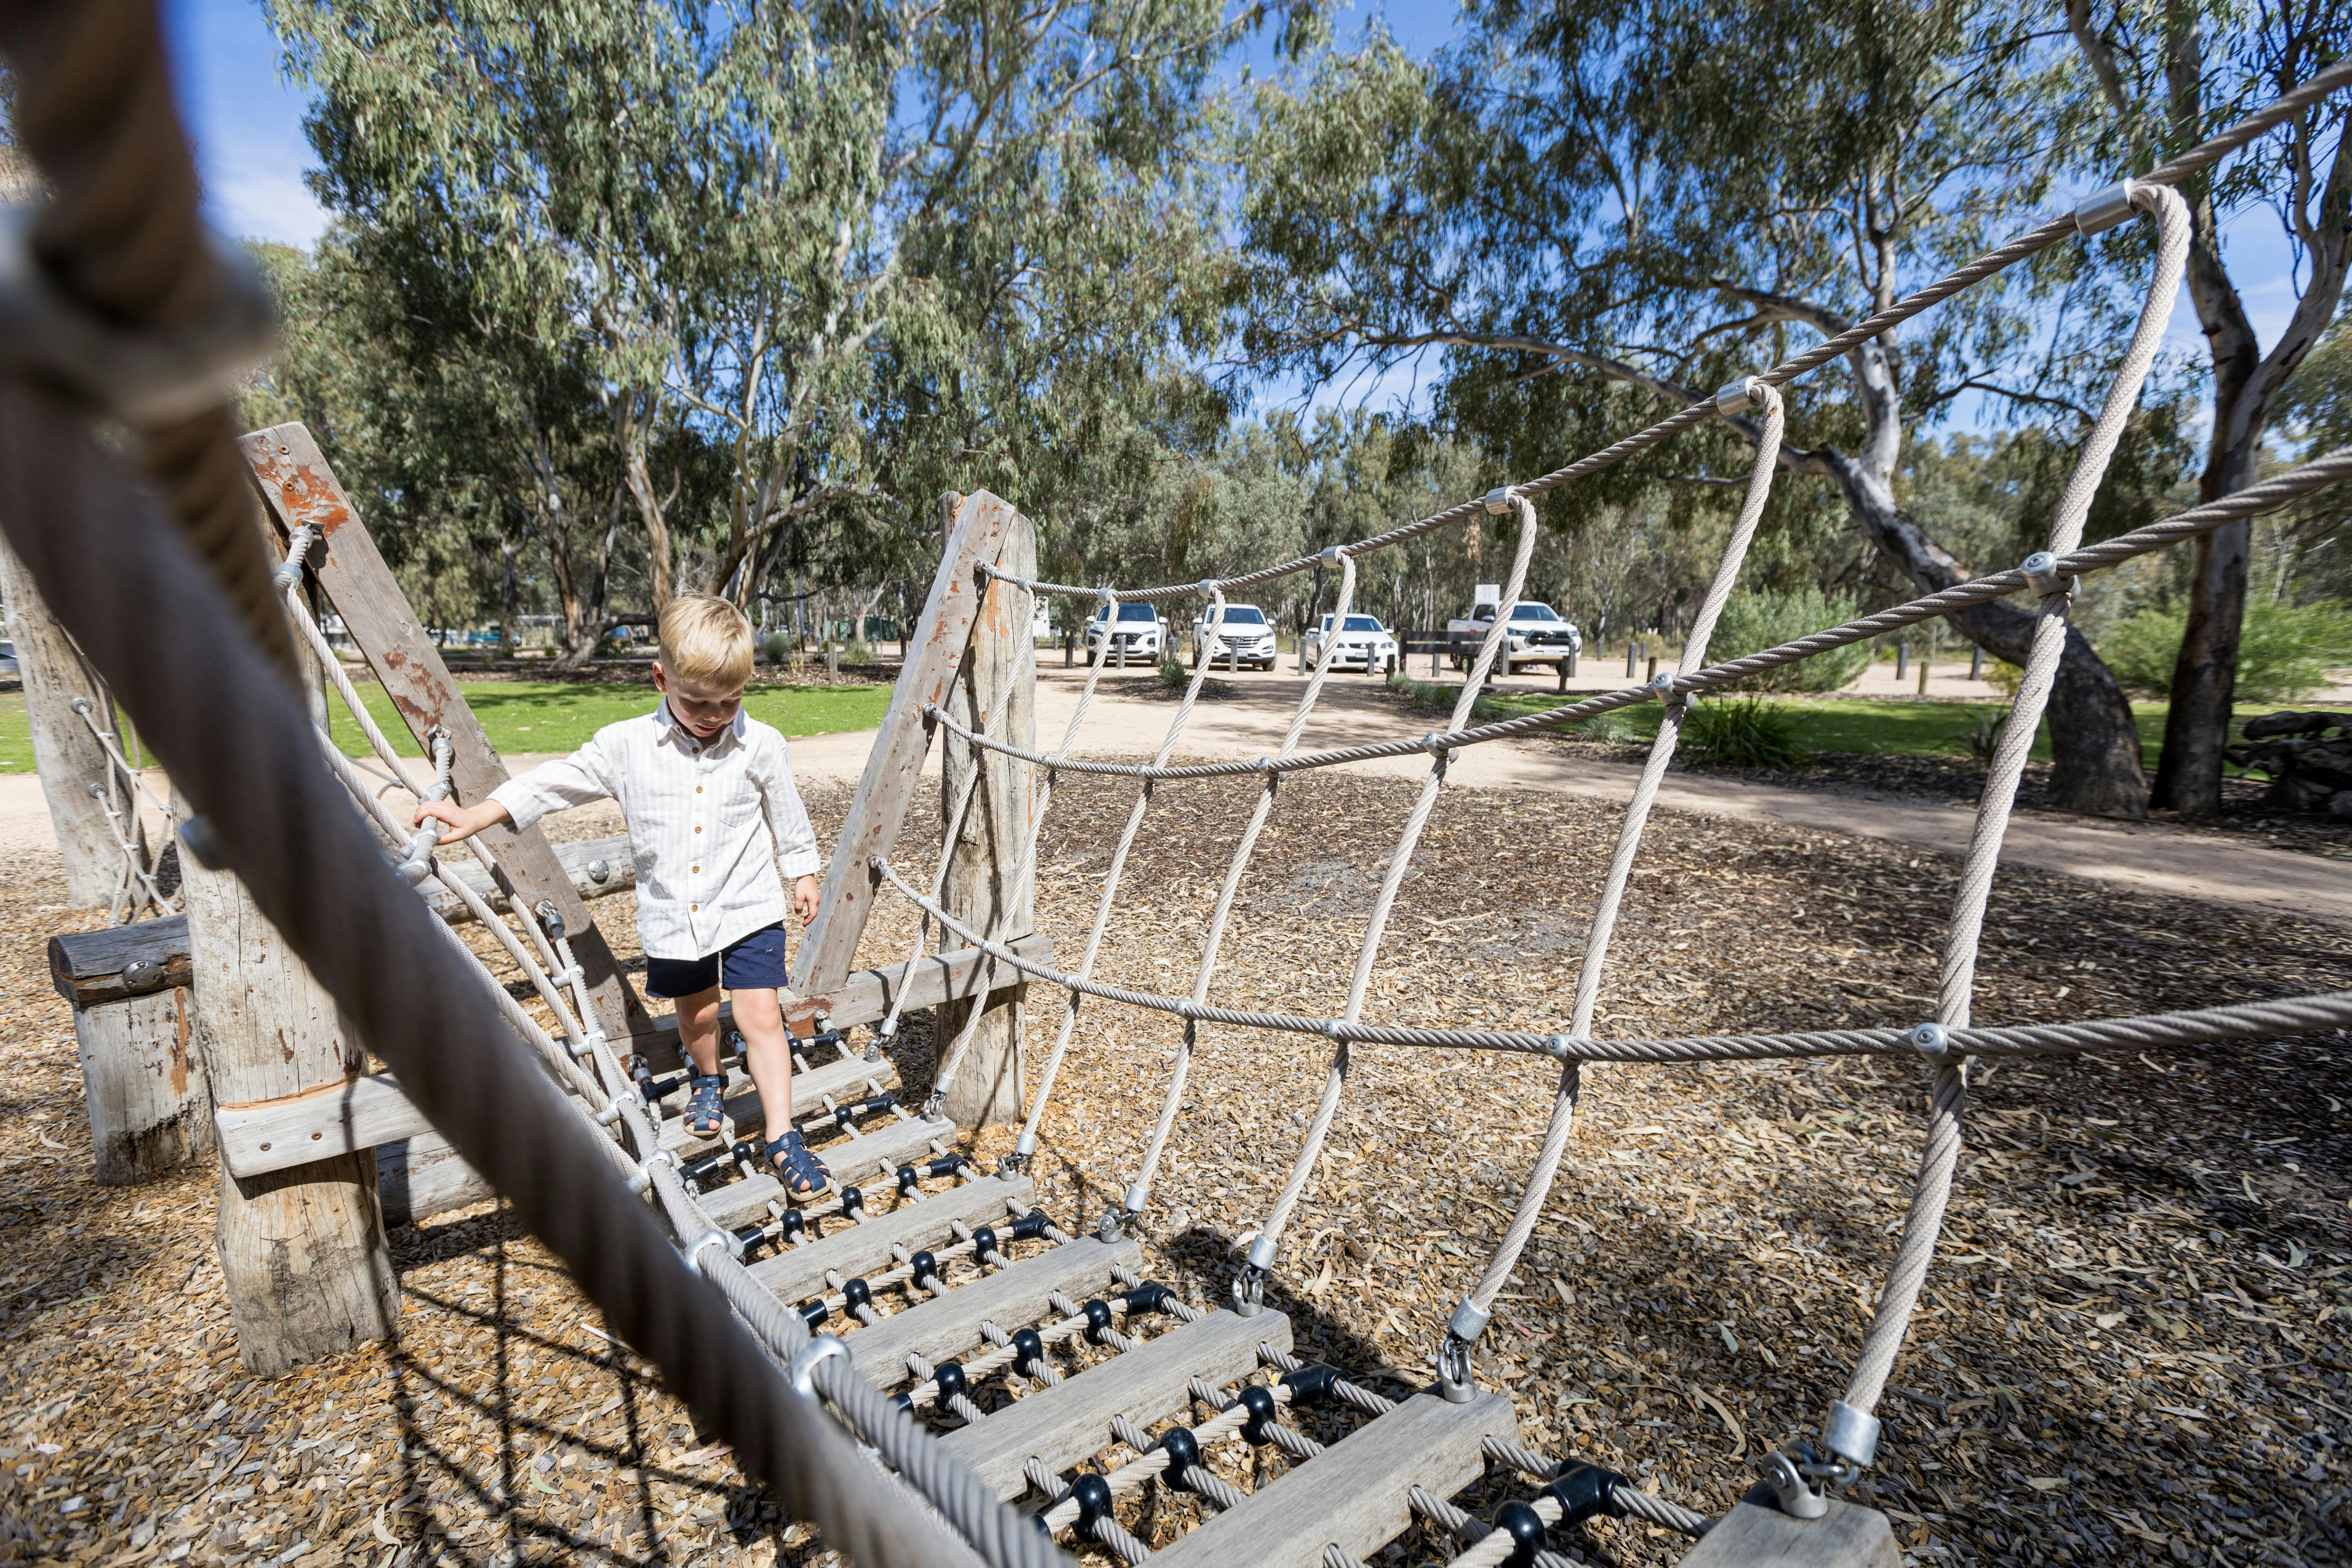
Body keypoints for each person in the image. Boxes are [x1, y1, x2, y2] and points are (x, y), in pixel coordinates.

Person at [414, 595, 833, 1197]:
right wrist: (481, 813)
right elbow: (555, 782)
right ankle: (709, 1077)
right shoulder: (624, 747)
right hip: (674, 916)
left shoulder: (763, 744)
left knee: (760, 1014)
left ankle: (781, 1135)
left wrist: (802, 872)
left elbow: (787, 815)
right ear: (661, 678)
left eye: (731, 701)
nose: (716, 715)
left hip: (747, 904)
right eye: (699, 702)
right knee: (696, 1014)